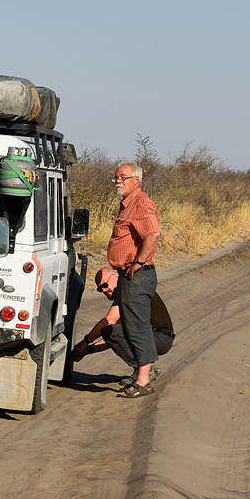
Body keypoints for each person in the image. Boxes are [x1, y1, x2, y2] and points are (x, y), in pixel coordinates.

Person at [107, 162, 162, 398]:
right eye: (116, 177)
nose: (118, 181)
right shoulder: (128, 204)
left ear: (135, 179)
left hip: (137, 274)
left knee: (138, 327)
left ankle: (143, 381)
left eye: (122, 177)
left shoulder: (140, 203)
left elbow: (153, 233)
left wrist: (138, 262)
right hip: (129, 275)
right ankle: (142, 373)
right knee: (131, 326)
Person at [71, 267, 174, 384]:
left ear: (115, 276)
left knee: (109, 330)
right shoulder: (125, 293)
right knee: (112, 332)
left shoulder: (126, 289)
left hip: (161, 336)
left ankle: (145, 370)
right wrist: (86, 351)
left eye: (105, 285)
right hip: (156, 337)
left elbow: (108, 321)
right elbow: (113, 338)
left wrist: (85, 342)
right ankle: (143, 370)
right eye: (100, 289)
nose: (104, 290)